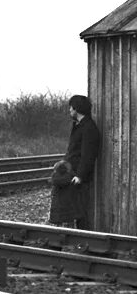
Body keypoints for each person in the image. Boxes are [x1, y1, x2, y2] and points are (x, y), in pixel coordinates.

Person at [63, 94, 101, 230]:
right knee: (72, 209)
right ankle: (75, 236)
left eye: (71, 108)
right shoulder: (79, 126)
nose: (69, 111)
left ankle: (82, 238)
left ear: (76, 109)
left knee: (80, 211)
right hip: (72, 174)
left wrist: (80, 176)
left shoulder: (89, 128)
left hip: (78, 177)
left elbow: (88, 155)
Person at [48, 159, 75, 226]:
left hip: (57, 205)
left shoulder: (55, 177)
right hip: (67, 204)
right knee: (68, 219)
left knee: (58, 222)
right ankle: (69, 227)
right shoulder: (70, 177)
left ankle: (58, 228)